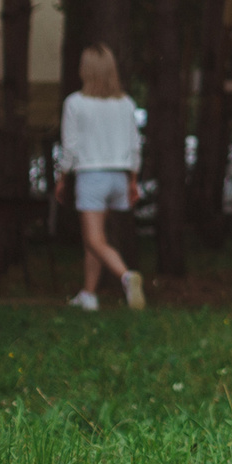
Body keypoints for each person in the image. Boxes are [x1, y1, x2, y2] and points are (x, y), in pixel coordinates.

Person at [57, 45, 144, 311]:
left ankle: (126, 276)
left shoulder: (75, 103)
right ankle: (89, 294)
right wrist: (133, 180)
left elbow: (70, 146)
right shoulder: (126, 103)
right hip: (119, 175)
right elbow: (134, 145)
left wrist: (62, 176)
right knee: (94, 239)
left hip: (92, 176)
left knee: (94, 239)